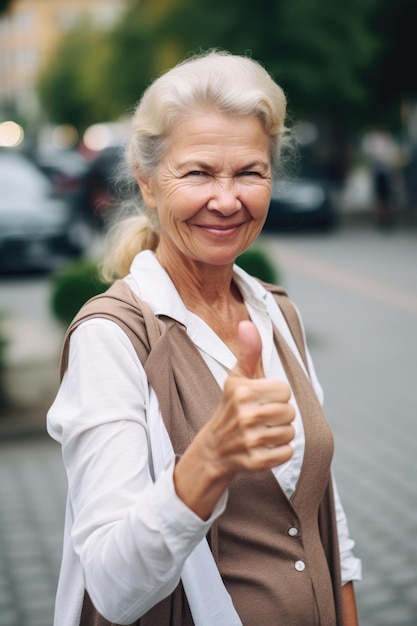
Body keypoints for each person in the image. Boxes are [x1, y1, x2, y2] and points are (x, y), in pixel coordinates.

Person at [47, 50, 361, 626]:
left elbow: (324, 512)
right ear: (147, 183)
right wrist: (210, 457)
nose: (226, 198)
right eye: (197, 172)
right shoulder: (111, 338)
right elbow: (113, 588)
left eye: (249, 172)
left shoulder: (276, 312)